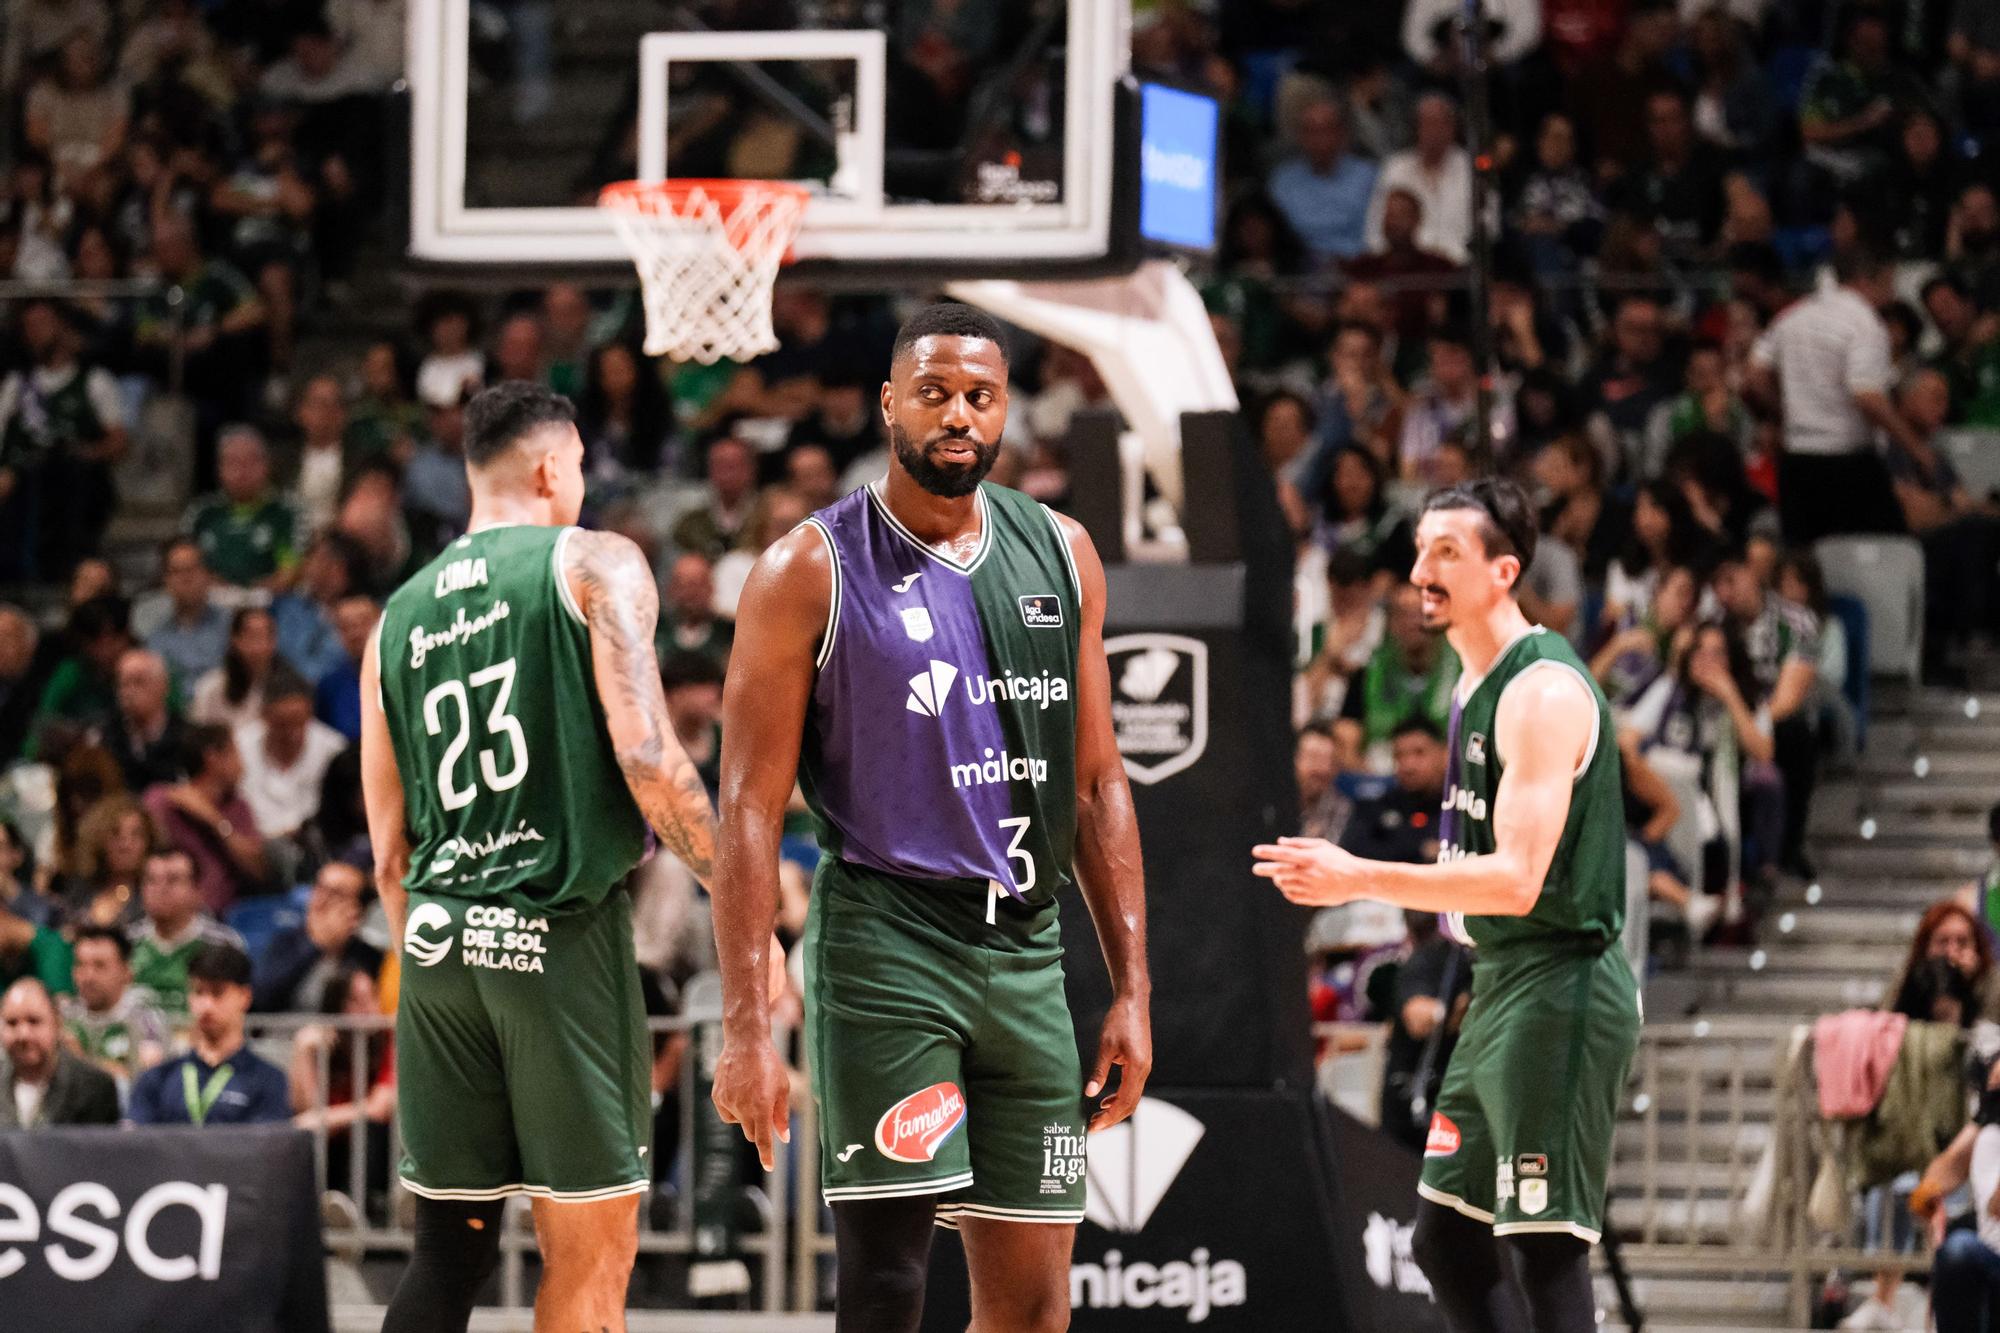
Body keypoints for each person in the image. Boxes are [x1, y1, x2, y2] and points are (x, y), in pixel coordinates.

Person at [711, 303, 1151, 1331]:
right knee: (886, 1281)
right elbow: (744, 806)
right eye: (935, 393)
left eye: (980, 396)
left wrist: (1130, 986)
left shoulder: (1064, 551)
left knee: (1036, 1301)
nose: (958, 414)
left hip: (1025, 953)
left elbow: (1095, 783)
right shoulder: (805, 569)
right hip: (887, 945)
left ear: (1005, 411)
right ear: (888, 405)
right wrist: (744, 1023)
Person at [361, 381, 717, 1333]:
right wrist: (745, 899)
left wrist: (432, 956)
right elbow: (648, 753)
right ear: (555, 464)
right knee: (592, 1256)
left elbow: (388, 848)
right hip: (555, 941)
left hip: (436, 945)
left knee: (450, 1252)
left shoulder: (395, 616)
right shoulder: (594, 562)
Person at [1256, 477, 1642, 1333]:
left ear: (1504, 570)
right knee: (1445, 1243)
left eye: (1448, 552)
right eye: (1422, 547)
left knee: (1545, 1246)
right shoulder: (1474, 683)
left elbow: (1515, 880)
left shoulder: (1541, 692)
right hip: (1500, 978)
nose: (1422, 569)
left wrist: (1357, 873)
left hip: (1562, 979)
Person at [1749, 249, 1917, 543]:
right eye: (1889, 283)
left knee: (1805, 562)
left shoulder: (1794, 316)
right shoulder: (1865, 324)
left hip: (1797, 461)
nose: (1892, 294)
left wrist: (1783, 412)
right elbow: (1867, 396)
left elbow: (1754, 375)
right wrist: (1919, 451)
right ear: (1869, 280)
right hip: (1847, 463)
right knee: (1882, 550)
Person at [127, 941, 290, 1125]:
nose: (206, 1006)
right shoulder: (158, 1079)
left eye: (217, 993)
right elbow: (136, 1144)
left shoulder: (268, 1080)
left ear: (245, 997)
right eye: (198, 992)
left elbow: (266, 1147)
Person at [142, 724, 267, 913]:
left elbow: (258, 869)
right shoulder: (162, 800)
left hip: (219, 916)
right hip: (162, 909)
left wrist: (215, 822)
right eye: (235, 753)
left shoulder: (238, 808)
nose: (242, 764)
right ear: (213, 758)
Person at [126, 846, 244, 1019]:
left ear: (197, 891)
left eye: (172, 880)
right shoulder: (125, 944)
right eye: (151, 880)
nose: (161, 889)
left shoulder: (223, 944)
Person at [234, 666, 346, 841]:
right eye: (282, 725)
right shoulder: (238, 748)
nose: (292, 734)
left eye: (299, 723)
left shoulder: (334, 749)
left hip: (318, 845)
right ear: (264, 716)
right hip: (254, 844)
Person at [253, 859, 380, 1013]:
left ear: (356, 910)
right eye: (320, 887)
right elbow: (261, 1000)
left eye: (336, 893)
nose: (321, 899)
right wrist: (315, 945)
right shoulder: (284, 943)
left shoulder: (368, 957)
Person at [183, 425, 300, 590]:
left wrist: (253, 595)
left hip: (271, 601)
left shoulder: (285, 512)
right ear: (220, 468)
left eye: (251, 461)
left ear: (267, 465)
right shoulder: (202, 513)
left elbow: (290, 570)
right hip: (209, 601)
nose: (242, 471)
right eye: (233, 462)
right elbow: (184, 563)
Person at [0, 977, 119, 1127]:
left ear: (57, 1023)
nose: (23, 1034)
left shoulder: (96, 1088)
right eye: (12, 1023)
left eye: (34, 1021)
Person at [62, 923, 169, 1084]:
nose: (88, 976)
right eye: (81, 965)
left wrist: (81, 1061)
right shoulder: (64, 1020)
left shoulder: (145, 1019)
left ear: (126, 972)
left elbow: (143, 1084)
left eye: (100, 966)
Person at [1340, 718, 1450, 864]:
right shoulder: (1375, 807)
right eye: (1399, 755)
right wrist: (1420, 849)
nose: (1408, 765)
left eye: (1419, 753)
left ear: (1444, 754)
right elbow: (1353, 855)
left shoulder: (1458, 808)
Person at [138, 537, 231, 684]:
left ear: (207, 575)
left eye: (191, 569)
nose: (186, 579)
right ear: (166, 581)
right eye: (176, 572)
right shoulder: (156, 637)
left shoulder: (231, 628)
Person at [189, 605, 280, 730]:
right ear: (235, 640)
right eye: (252, 637)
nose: (259, 646)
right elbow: (199, 738)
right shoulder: (210, 688)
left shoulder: (287, 689)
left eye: (265, 637)